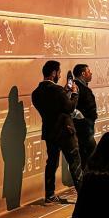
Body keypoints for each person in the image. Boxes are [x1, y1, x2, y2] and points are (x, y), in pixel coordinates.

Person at [30, 60, 83, 204]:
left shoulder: (36, 93)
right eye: (59, 73)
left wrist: (64, 91)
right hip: (66, 132)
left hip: (50, 133)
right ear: (53, 73)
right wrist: (74, 93)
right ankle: (83, 196)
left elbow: (55, 106)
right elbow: (69, 107)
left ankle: (50, 195)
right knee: (75, 163)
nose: (59, 76)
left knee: (52, 163)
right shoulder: (57, 90)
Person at [72, 64, 97, 167]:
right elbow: (71, 106)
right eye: (88, 71)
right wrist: (82, 118)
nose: (91, 73)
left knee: (87, 154)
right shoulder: (76, 87)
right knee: (89, 154)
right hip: (83, 128)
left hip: (85, 127)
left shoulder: (81, 86)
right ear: (83, 73)